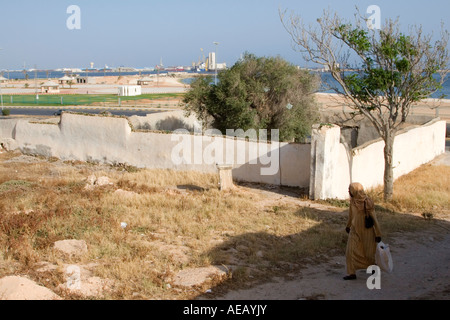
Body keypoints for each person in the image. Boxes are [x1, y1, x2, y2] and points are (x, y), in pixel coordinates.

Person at [344, 182, 382, 280]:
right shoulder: (352, 201)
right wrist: (348, 226)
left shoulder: (367, 202)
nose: (349, 192)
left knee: (368, 252)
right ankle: (351, 273)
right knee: (350, 251)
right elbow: (351, 215)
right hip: (354, 230)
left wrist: (378, 233)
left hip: (367, 231)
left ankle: (373, 267)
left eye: (350, 190)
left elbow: (374, 218)